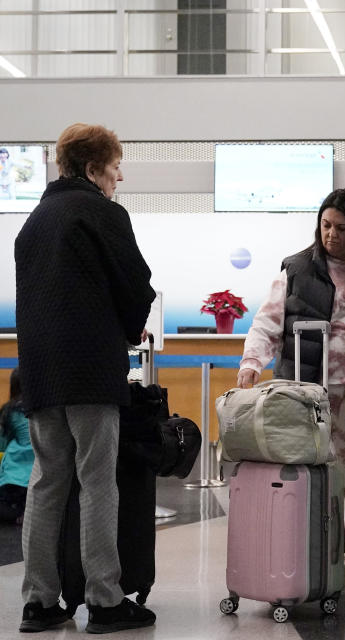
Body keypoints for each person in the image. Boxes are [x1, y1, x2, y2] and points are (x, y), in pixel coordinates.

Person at [15, 123, 157, 633]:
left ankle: (38, 601)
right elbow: (135, 284)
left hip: (39, 374)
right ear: (94, 168)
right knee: (98, 482)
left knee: (46, 481)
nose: (120, 176)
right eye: (115, 166)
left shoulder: (32, 223)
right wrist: (129, 325)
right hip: (91, 371)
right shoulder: (103, 212)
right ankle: (105, 599)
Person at [238, 188, 345, 458]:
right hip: (305, 390)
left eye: (341, 228)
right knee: (308, 463)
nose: (331, 234)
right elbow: (266, 325)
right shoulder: (296, 271)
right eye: (326, 225)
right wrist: (252, 362)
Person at [0, 369, 33, 524]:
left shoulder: (9, 410)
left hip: (16, 479)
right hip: (40, 473)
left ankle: (18, 509)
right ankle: (26, 508)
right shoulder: (40, 407)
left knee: (12, 446)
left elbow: (2, 443)